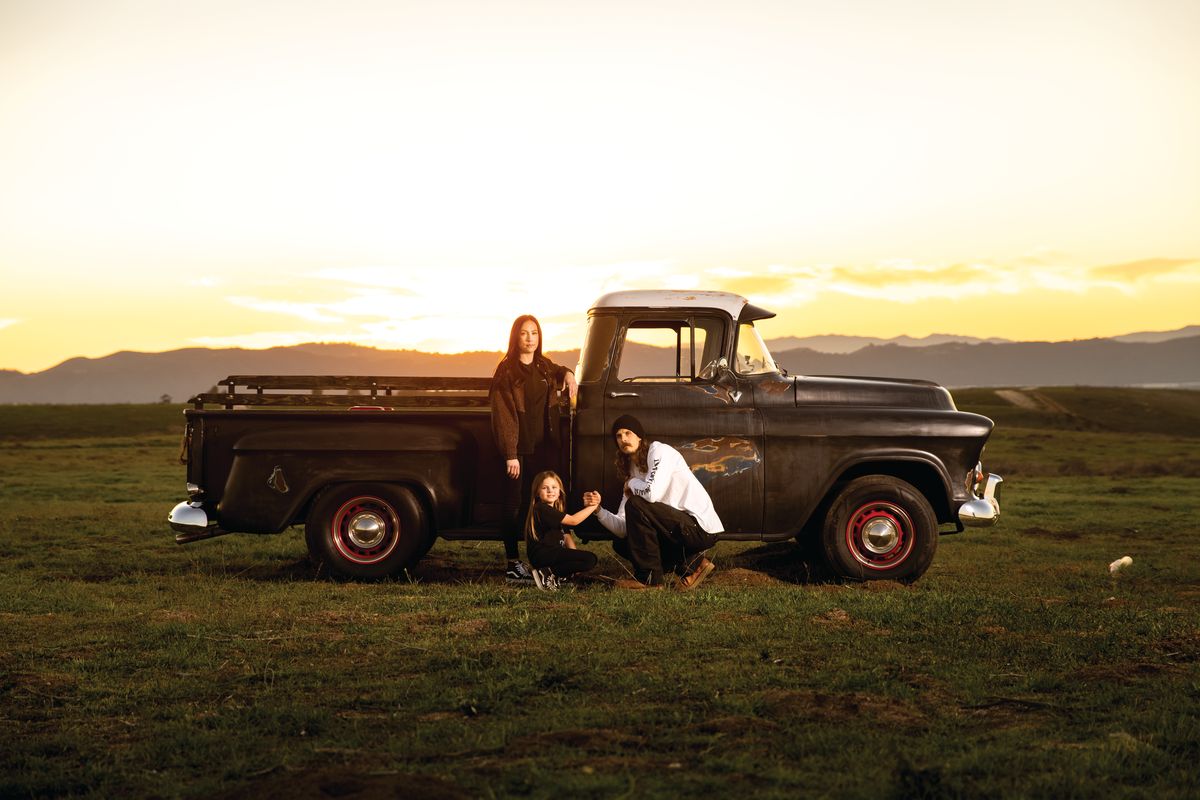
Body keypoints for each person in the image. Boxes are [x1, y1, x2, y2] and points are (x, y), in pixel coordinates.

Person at [584, 415, 722, 590]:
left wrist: (631, 484)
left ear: (639, 436)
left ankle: (650, 580)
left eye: (628, 433)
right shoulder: (633, 472)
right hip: (676, 529)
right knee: (622, 543)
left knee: (635, 504)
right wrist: (598, 510)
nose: (623, 439)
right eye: (618, 436)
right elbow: (622, 529)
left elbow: (651, 494)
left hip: (700, 528)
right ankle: (694, 565)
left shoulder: (658, 451)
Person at [490, 314, 579, 583]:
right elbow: (504, 416)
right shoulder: (506, 371)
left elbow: (559, 369)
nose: (530, 338)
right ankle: (512, 564)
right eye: (524, 333)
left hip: (545, 447)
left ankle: (548, 556)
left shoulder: (543, 366)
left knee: (545, 501)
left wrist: (569, 373)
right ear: (515, 337)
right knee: (514, 505)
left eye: (534, 333)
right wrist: (510, 454)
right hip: (520, 450)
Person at [524, 470, 600, 590]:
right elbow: (574, 520)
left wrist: (576, 563)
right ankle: (547, 574)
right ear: (537, 492)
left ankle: (557, 576)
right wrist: (594, 506)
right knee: (590, 559)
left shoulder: (556, 511)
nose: (550, 491)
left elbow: (567, 536)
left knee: (587, 560)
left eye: (554, 487)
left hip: (553, 555)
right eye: (545, 487)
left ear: (559, 492)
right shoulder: (541, 508)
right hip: (543, 555)